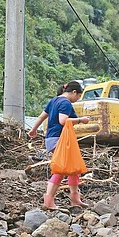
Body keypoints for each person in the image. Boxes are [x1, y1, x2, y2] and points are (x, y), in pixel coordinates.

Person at [29, 81, 90, 210]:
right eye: (78, 96)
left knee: (73, 168)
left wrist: (33, 130)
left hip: (50, 138)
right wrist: (81, 120)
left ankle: (75, 198)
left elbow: (41, 117)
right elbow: (63, 121)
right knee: (61, 169)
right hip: (60, 139)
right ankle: (48, 200)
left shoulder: (54, 101)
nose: (78, 99)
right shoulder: (65, 103)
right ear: (73, 92)